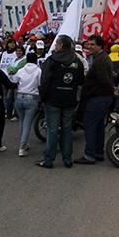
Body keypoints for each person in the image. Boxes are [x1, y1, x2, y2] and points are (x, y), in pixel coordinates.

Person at [36, 35, 84, 168]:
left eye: (56, 43)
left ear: (61, 45)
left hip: (53, 100)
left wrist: (43, 98)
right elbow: (81, 80)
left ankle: (49, 160)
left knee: (52, 130)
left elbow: (44, 81)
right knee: (67, 130)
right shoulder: (77, 61)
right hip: (70, 100)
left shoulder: (51, 60)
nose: (55, 46)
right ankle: (67, 159)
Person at [76, 34, 114, 165]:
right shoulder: (99, 57)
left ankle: (89, 155)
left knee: (90, 126)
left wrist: (110, 92)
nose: (89, 46)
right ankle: (98, 152)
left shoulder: (101, 60)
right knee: (97, 126)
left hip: (98, 98)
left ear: (99, 46)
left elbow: (104, 81)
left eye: (93, 44)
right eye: (89, 44)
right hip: (101, 97)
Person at [12, 53, 41, 157]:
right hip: (32, 98)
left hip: (19, 97)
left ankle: (23, 143)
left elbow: (14, 81)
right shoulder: (38, 71)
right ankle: (22, 147)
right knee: (27, 124)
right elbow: (40, 84)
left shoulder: (20, 70)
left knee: (22, 122)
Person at [0, 39, 19, 119]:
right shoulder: (4, 53)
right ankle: (6, 110)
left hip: (11, 77)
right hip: (3, 76)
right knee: (4, 95)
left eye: (13, 43)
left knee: (11, 96)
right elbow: (0, 63)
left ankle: (13, 111)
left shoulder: (16, 53)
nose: (12, 44)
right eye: (10, 43)